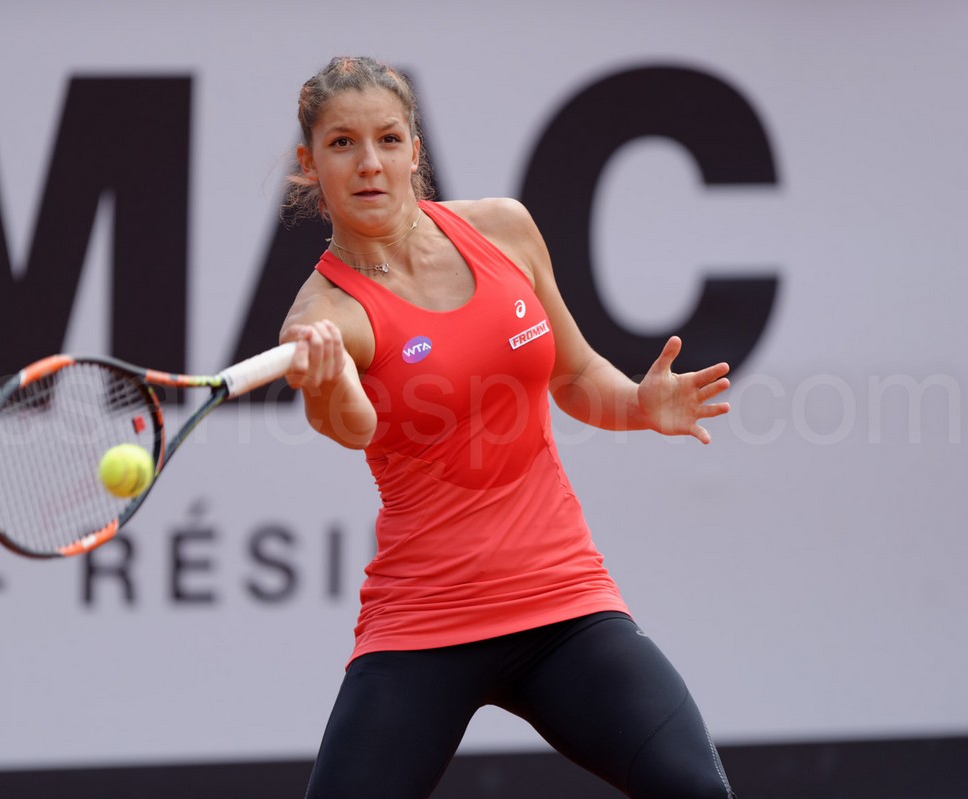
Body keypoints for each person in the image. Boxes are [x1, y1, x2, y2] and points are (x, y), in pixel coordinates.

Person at [279, 55, 737, 799]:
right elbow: (353, 427)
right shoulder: (324, 317)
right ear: (309, 164)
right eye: (342, 144)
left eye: (388, 139)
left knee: (697, 791)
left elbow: (575, 376)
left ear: (414, 150)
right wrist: (328, 379)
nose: (369, 164)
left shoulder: (505, 230)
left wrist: (638, 405)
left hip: (564, 600)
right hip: (424, 622)